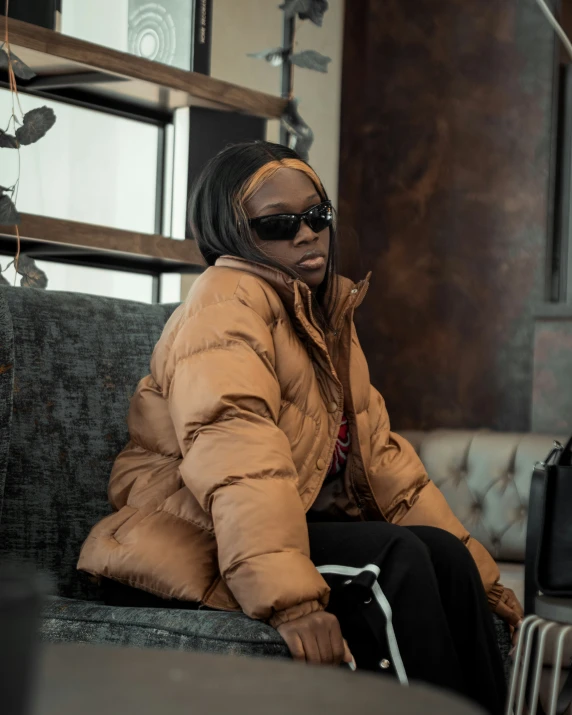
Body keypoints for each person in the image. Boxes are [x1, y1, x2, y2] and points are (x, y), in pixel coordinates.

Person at [78, 141, 522, 714]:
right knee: (394, 560)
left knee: (442, 555)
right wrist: (292, 605)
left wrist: (485, 585)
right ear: (232, 233)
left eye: (318, 216)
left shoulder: (322, 311)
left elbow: (386, 466)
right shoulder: (225, 304)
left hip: (254, 531)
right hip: (186, 544)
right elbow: (237, 454)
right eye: (278, 224)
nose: (307, 234)